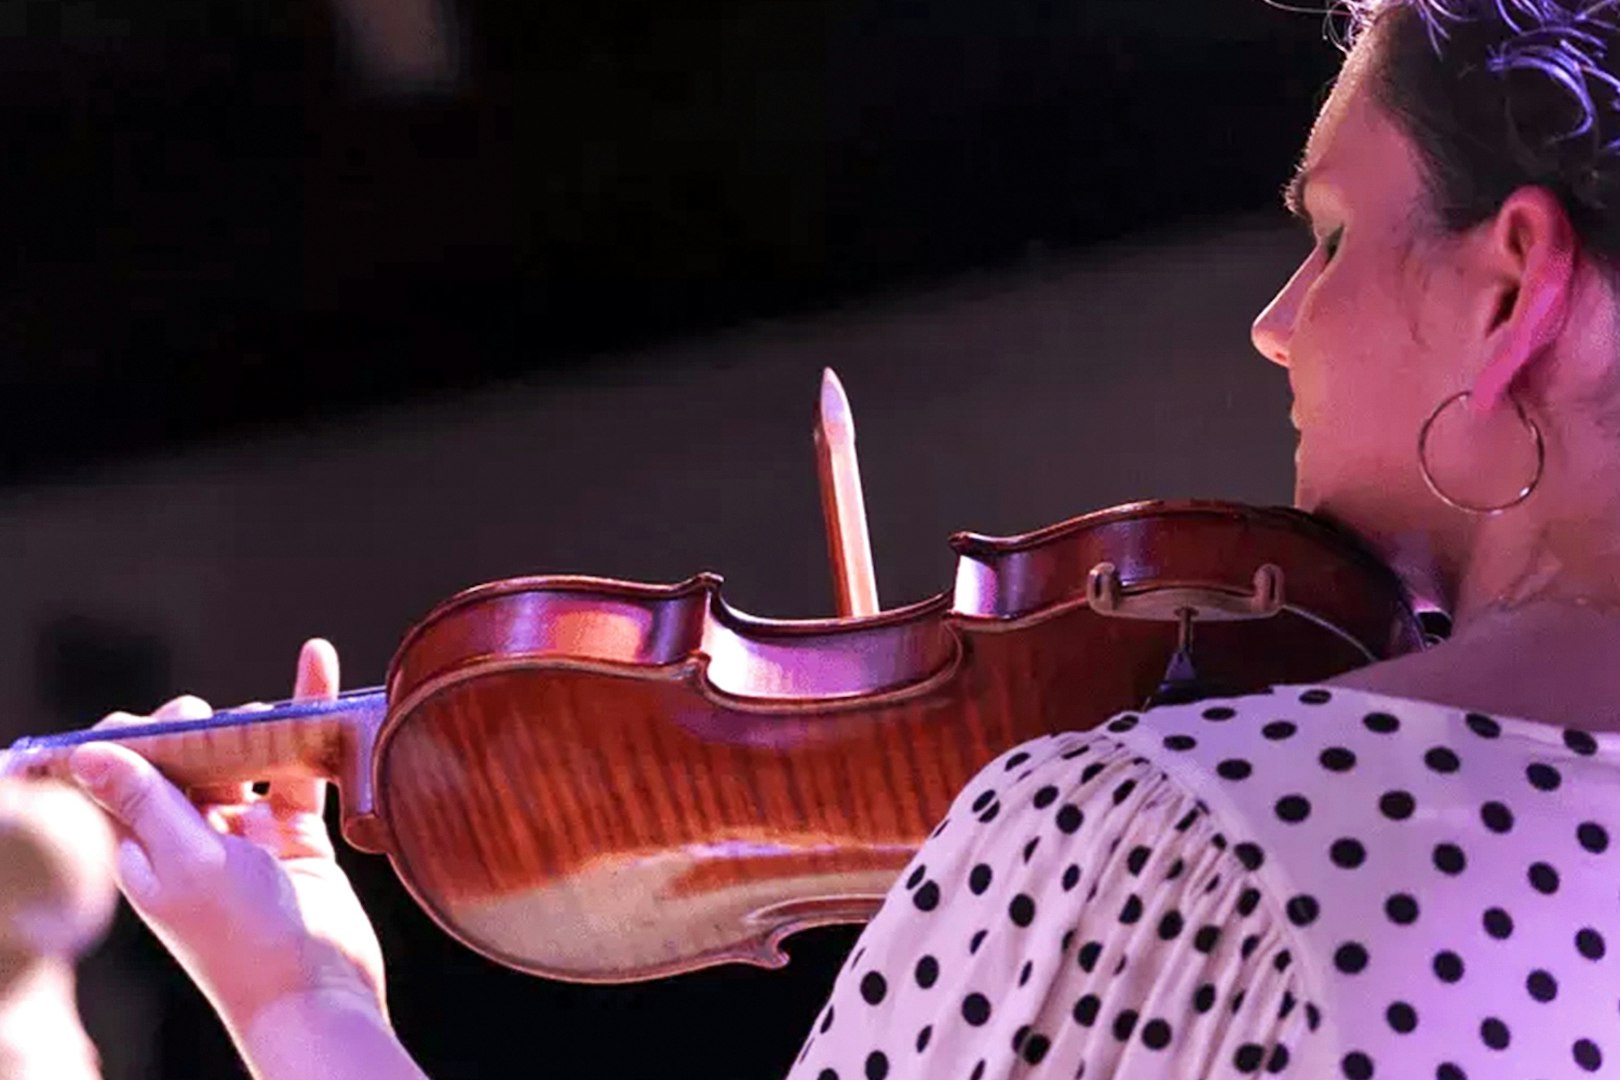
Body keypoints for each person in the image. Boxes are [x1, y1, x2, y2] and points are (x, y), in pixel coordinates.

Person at [46, 1, 1620, 1076]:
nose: (1281, 327)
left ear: (1509, 285)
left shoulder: (1182, 833)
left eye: (1334, 235)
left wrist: (304, 1005)